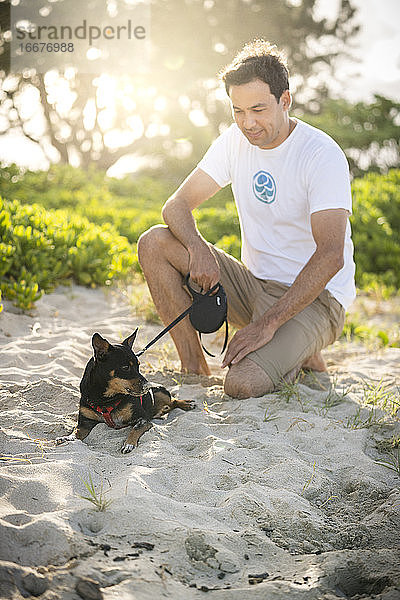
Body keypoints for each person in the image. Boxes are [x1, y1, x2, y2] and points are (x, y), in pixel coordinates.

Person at [137, 39, 356, 399]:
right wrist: (198, 249)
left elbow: (331, 255)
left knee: (241, 383)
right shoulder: (234, 141)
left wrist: (267, 325)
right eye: (238, 111)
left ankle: (300, 343)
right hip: (253, 285)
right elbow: (176, 205)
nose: (248, 123)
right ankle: (194, 369)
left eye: (258, 109)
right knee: (154, 243)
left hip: (317, 298)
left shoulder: (321, 155)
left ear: (285, 100)